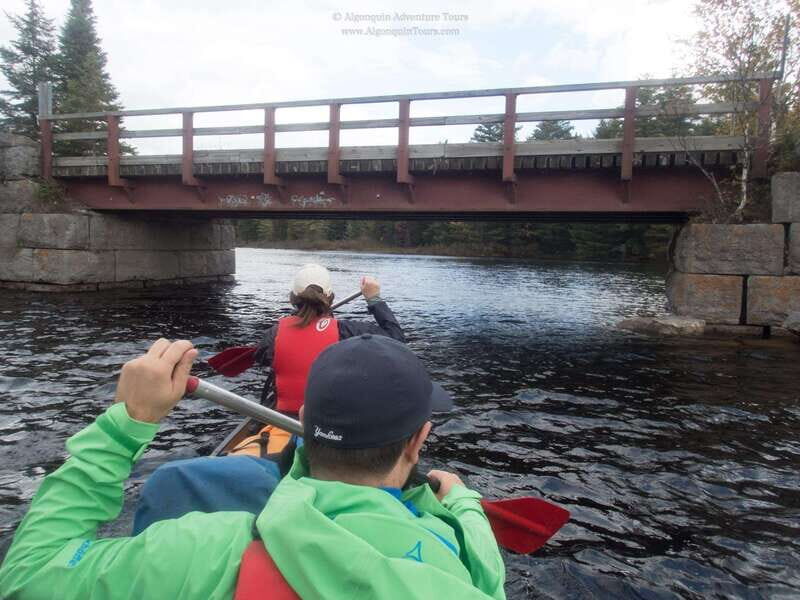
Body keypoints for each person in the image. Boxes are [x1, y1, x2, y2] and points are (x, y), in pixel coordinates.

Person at [0, 336, 506, 599]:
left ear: (304, 421)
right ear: (419, 440)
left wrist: (125, 425)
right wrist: (461, 504)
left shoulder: (200, 548)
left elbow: (26, 576)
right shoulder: (464, 566)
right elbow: (485, 566)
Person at [229, 263, 404, 457]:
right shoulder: (346, 333)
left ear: (293, 298)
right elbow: (395, 337)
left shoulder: (273, 334)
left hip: (284, 419)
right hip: (330, 424)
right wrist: (374, 299)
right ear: (330, 297)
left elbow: (262, 356)